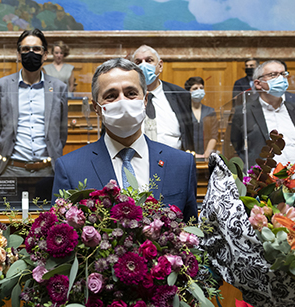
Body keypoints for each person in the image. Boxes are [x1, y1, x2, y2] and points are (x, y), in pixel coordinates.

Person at [52, 58, 197, 224]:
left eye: (131, 93)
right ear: (96, 108)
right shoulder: (70, 168)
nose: (122, 102)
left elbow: (191, 236)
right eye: (111, 96)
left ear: (145, 100)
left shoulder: (182, 164)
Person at [0, 29, 68, 180]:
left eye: (36, 49)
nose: (31, 53)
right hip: (12, 168)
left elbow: (62, 132)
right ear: (19, 54)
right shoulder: (1, 85)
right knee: (7, 205)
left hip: (48, 169)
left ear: (45, 55)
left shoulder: (59, 87)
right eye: (25, 49)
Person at [231, 60, 295, 169]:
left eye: (283, 74)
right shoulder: (244, 112)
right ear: (258, 84)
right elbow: (236, 143)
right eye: (273, 75)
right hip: (262, 182)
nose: (280, 78)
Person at [131, 45, 194, 152]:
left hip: (173, 160)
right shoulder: (122, 96)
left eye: (149, 60)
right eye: (138, 62)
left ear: (160, 65)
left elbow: (188, 134)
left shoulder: (180, 94)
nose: (143, 65)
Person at [184, 76, 218, 158]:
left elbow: (214, 136)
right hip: (188, 155)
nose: (199, 91)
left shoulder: (210, 111)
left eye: (201, 88)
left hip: (206, 155)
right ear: (188, 91)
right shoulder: (184, 112)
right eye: (195, 88)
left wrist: (207, 152)